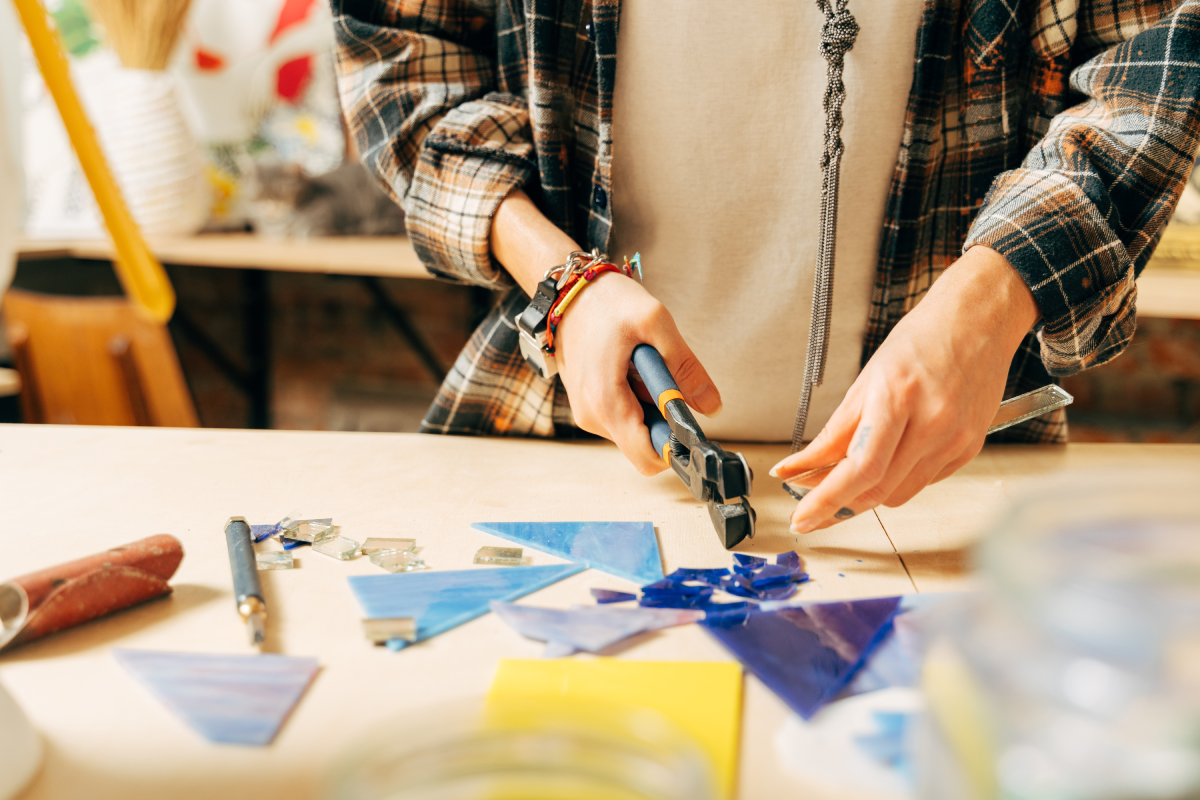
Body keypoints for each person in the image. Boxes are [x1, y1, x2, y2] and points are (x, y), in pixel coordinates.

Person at [332, 0, 1200, 533]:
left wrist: (990, 302)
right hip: (565, 452)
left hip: (952, 481)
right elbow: (402, 57)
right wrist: (561, 280)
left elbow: (1157, 62)